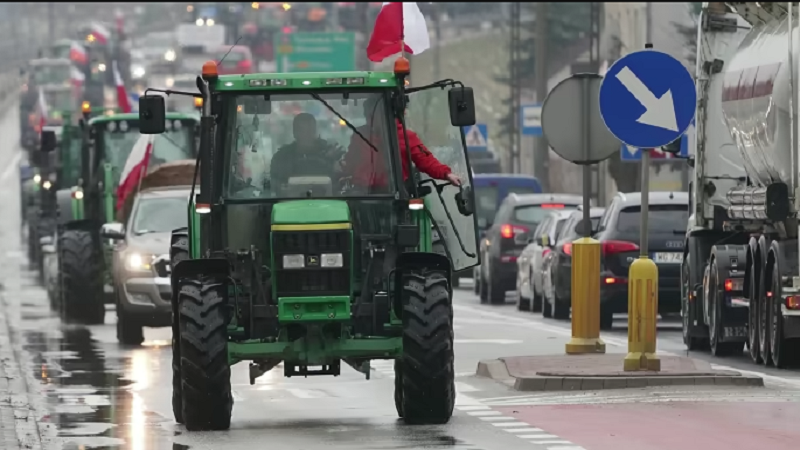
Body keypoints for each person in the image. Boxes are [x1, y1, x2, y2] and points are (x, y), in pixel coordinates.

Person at [339, 96, 461, 192]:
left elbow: (425, 160)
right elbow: (351, 162)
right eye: (368, 115)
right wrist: (339, 169)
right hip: (362, 193)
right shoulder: (360, 136)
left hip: (395, 194)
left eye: (373, 114)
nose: (369, 118)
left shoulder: (406, 137)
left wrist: (447, 174)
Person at [269, 112, 345, 189]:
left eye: (311, 130)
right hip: (291, 200)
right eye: (302, 131)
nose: (307, 134)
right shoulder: (282, 157)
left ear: (315, 131)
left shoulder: (333, 153)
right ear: (294, 133)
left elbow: (341, 183)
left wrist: (333, 162)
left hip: (327, 200)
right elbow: (275, 185)